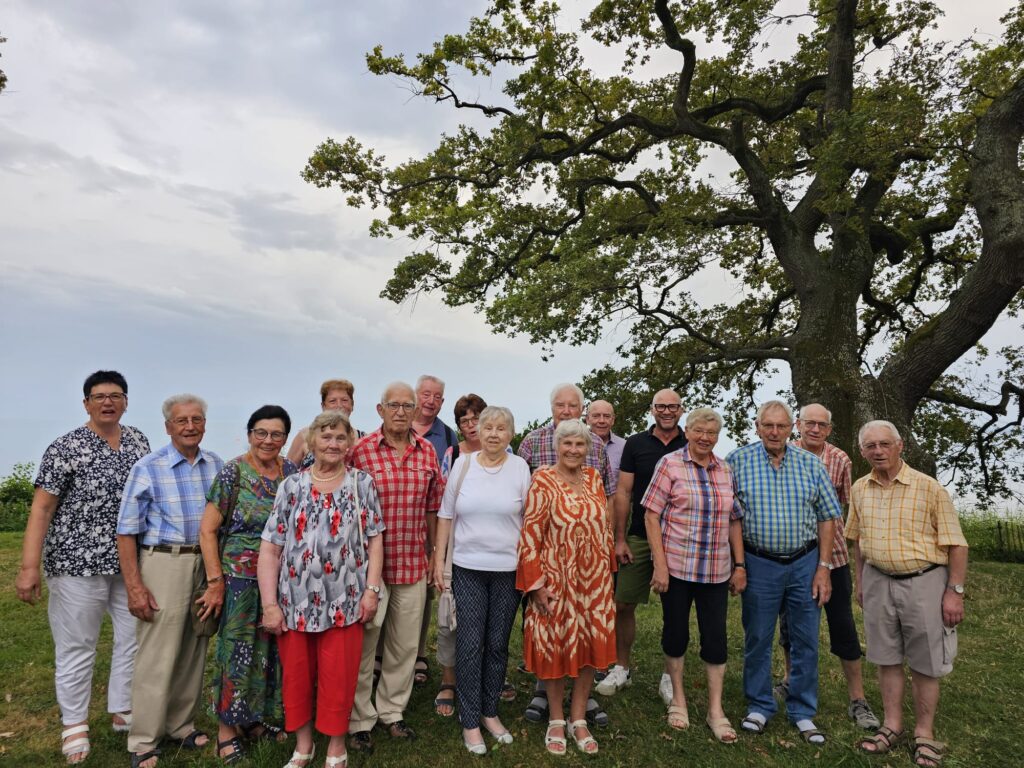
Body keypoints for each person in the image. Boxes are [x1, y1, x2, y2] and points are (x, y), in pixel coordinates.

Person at [15, 370, 150, 764]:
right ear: (86, 403)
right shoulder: (66, 448)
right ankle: (74, 723)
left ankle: (122, 707)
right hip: (76, 562)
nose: (107, 402)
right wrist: (29, 567)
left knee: (132, 637)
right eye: (98, 396)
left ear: (125, 401)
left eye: (115, 395)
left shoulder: (139, 442)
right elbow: (42, 507)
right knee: (78, 644)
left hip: (129, 562)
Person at [258, 410, 385, 768]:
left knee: (339, 677)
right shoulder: (292, 485)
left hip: (345, 599)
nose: (333, 443)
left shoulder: (362, 483)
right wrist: (270, 604)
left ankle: (335, 747)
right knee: (296, 676)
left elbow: (375, 542)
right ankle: (303, 746)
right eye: (326, 436)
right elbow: (271, 547)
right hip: (294, 601)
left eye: (340, 437)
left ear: (350, 444)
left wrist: (371, 590)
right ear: (312, 442)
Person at [848, 420, 968, 768]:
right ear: (862, 451)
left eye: (885, 444)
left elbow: (956, 545)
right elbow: (857, 540)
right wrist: (860, 581)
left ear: (900, 446)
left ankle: (924, 734)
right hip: (877, 580)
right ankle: (892, 726)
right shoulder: (859, 488)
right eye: (871, 446)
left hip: (924, 581)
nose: (878, 451)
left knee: (926, 661)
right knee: (885, 657)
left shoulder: (929, 489)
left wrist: (954, 592)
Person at [117, 394, 224, 768]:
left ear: (205, 424)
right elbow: (126, 531)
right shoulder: (148, 467)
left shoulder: (216, 465)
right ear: (168, 427)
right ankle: (143, 739)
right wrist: (135, 586)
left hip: (206, 562)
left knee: (195, 646)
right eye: (182, 421)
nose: (190, 426)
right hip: (165, 561)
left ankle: (181, 723)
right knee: (157, 653)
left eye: (196, 419)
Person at [726, 400, 841, 744]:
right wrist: (739, 565)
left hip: (805, 562)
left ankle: (803, 711)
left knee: (805, 637)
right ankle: (760, 704)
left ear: (792, 428)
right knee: (758, 636)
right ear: (757, 426)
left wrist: (823, 568)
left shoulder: (811, 464)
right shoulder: (737, 462)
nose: (775, 432)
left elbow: (827, 517)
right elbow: (731, 516)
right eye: (768, 426)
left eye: (781, 426)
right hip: (759, 561)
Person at [346, 382, 445, 751]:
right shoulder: (361, 452)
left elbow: (434, 508)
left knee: (404, 646)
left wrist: (435, 553)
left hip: (412, 563)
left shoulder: (427, 453)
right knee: (364, 644)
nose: (401, 412)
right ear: (380, 409)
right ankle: (359, 718)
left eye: (408, 405)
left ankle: (392, 711)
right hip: (368, 569)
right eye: (394, 405)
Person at [197, 405, 298, 763]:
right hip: (239, 577)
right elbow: (208, 530)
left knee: (268, 653)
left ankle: (253, 720)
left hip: (281, 578)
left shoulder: (291, 471)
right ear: (249, 433)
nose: (268, 440)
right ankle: (226, 731)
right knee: (236, 652)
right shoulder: (232, 472)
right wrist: (215, 581)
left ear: (286, 438)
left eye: (276, 434)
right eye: (261, 433)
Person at [431, 406, 531, 754]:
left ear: (510, 434)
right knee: (471, 644)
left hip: (508, 570)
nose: (492, 433)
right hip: (467, 567)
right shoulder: (463, 465)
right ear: (477, 430)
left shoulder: (520, 468)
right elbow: (445, 516)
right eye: (487, 427)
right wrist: (440, 563)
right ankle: (470, 720)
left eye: (501, 428)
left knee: (498, 643)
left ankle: (490, 711)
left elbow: (530, 519)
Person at [642, 407, 745, 743]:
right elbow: (651, 515)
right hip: (678, 567)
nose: (704, 438)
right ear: (688, 430)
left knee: (715, 639)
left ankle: (716, 710)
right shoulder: (670, 464)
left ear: (717, 436)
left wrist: (740, 565)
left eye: (711, 433)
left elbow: (734, 519)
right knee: (676, 634)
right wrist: (659, 565)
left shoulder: (725, 469)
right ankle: (679, 700)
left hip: (716, 570)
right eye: (699, 431)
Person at [774, 404, 879, 730]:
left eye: (821, 425)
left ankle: (858, 699)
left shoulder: (841, 460)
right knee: (790, 627)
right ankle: (790, 680)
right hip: (793, 556)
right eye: (809, 423)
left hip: (832, 559)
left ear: (829, 429)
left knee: (843, 626)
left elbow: (844, 508)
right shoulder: (782, 454)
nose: (815, 429)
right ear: (798, 425)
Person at [517, 419, 616, 756]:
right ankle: (556, 719)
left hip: (594, 581)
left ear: (588, 449)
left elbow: (604, 528)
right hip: (555, 580)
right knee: (555, 647)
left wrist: (607, 575)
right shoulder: (543, 479)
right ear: (557, 446)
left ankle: (579, 717)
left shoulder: (594, 478)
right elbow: (530, 535)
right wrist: (535, 584)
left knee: (590, 645)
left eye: (580, 445)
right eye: (567, 444)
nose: (573, 450)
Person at [597, 389, 686, 701]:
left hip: (678, 536)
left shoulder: (689, 443)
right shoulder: (636, 444)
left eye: (672, 407)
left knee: (675, 609)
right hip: (638, 534)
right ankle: (622, 667)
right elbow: (623, 492)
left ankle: (669, 675)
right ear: (652, 410)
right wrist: (619, 538)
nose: (666, 411)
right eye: (660, 406)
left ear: (680, 409)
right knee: (622, 603)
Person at [433, 392, 490, 718]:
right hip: (457, 543)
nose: (471, 426)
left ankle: (484, 676)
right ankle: (449, 680)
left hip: (492, 549)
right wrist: (440, 556)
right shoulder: (452, 455)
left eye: (476, 419)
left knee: (487, 617)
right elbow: (444, 506)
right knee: (449, 617)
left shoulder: (506, 453)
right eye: (464, 421)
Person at [409, 374, 459, 687]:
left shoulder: (447, 436)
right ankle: (383, 656)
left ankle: (416, 655)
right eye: (425, 394)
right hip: (401, 521)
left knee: (423, 593)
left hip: (433, 522)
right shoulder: (396, 426)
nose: (430, 401)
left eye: (436, 397)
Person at [286, 379, 361, 468]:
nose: (339, 405)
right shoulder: (304, 435)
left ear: (352, 405)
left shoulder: (364, 439)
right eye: (333, 401)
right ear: (323, 406)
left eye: (344, 400)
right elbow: (288, 471)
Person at [585, 399, 625, 477]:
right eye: (596, 416)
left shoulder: (625, 447)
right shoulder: (576, 445)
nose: (602, 421)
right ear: (587, 419)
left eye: (607, 416)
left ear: (613, 420)